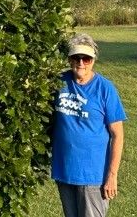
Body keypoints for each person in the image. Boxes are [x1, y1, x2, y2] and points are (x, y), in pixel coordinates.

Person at [51, 33, 127, 217]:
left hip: (93, 176)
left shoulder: (105, 89)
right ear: (70, 59)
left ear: (93, 60)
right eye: (76, 58)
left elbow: (117, 135)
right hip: (64, 170)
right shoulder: (58, 82)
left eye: (86, 58)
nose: (81, 63)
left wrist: (112, 175)